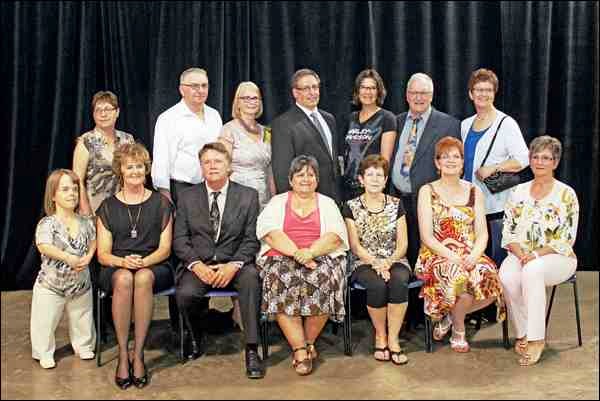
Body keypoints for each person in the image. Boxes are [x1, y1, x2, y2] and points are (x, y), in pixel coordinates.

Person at [173, 142, 264, 379]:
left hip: (235, 263)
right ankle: (195, 336)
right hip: (199, 264)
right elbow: (180, 240)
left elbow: (251, 239)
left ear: (229, 166)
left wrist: (233, 265)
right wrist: (197, 265)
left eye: (218, 161)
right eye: (207, 162)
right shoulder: (186, 197)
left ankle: (252, 348)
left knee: (252, 280)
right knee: (185, 294)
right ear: (201, 167)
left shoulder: (248, 196)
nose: (212, 166)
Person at [256, 155, 349, 376]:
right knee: (283, 280)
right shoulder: (278, 201)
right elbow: (269, 233)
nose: (305, 179)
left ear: (317, 180)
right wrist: (298, 254)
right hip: (282, 255)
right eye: (300, 175)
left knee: (325, 278)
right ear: (290, 180)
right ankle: (299, 350)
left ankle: (307, 343)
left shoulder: (327, 203)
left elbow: (336, 236)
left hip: (321, 255)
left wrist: (311, 252)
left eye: (310, 175)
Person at [415, 137, 505, 353]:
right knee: (459, 279)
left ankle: (449, 315)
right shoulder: (427, 191)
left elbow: (482, 234)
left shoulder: (475, 191)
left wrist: (474, 255)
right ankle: (458, 330)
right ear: (437, 163)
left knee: (492, 280)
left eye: (456, 156)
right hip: (436, 253)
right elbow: (427, 237)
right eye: (445, 156)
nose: (451, 161)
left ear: (463, 162)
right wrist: (453, 257)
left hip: (470, 252)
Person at [96, 143, 174, 389]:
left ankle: (138, 354)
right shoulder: (107, 207)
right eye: (129, 167)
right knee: (123, 278)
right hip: (116, 265)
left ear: (146, 169)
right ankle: (122, 353)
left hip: (155, 265)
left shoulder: (161, 204)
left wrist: (144, 262)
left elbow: (165, 249)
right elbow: (103, 254)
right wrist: (123, 262)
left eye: (139, 166)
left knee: (141, 278)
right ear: (120, 170)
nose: (135, 171)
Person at [389, 72, 461, 328]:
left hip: (430, 201)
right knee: (404, 254)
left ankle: (430, 312)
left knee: (427, 252)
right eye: (414, 93)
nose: (419, 98)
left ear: (432, 96)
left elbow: (453, 164)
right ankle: (406, 313)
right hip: (398, 199)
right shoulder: (395, 121)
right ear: (407, 95)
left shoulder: (449, 124)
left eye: (424, 93)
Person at [499, 136, 579, 366]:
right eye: (535, 156)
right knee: (507, 276)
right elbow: (508, 231)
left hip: (557, 257)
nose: (540, 162)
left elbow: (566, 238)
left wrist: (534, 255)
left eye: (546, 158)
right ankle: (523, 331)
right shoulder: (517, 192)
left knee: (532, 271)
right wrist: (520, 251)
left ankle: (536, 339)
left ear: (555, 163)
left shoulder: (566, 194)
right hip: (520, 253)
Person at [343, 155, 411, 365]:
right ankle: (380, 335)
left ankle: (393, 338)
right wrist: (375, 262)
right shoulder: (350, 206)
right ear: (361, 179)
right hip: (363, 261)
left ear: (385, 179)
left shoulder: (396, 204)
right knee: (377, 284)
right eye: (369, 175)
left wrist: (388, 262)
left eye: (379, 175)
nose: (374, 179)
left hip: (395, 259)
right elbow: (355, 246)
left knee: (398, 282)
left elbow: (403, 244)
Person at [461, 68, 529, 268]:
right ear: (470, 94)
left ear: (494, 93)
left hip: (497, 204)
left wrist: (494, 168)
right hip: (471, 204)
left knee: (499, 259)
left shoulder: (506, 123)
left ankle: (503, 299)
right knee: (478, 261)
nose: (483, 94)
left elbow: (523, 158)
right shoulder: (466, 124)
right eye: (478, 89)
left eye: (488, 90)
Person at [31, 169, 96, 369]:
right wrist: (67, 257)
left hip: (80, 284)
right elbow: (44, 246)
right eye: (65, 189)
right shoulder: (47, 223)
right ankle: (44, 351)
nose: (72, 194)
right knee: (45, 321)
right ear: (53, 195)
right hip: (52, 285)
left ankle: (83, 345)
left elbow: (93, 241)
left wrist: (88, 256)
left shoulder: (85, 221)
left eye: (75, 189)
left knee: (82, 318)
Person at [151, 67, 223, 205]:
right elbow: (161, 160)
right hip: (181, 189)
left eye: (204, 85)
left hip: (212, 188)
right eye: (194, 86)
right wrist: (165, 196)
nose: (200, 90)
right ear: (182, 90)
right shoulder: (168, 118)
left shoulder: (214, 115)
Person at [271, 68, 340, 202]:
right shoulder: (283, 124)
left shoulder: (329, 119)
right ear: (295, 93)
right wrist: (292, 204)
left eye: (315, 87)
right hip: (304, 200)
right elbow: (282, 172)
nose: (312, 92)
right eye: (306, 88)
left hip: (333, 198)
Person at [72, 91, 135, 216]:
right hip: (95, 209)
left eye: (107, 109)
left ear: (117, 112)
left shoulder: (127, 140)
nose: (103, 114)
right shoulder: (86, 141)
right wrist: (85, 208)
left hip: (125, 207)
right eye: (98, 110)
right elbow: (77, 179)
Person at [341, 69, 397, 201]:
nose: (368, 92)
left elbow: (385, 161)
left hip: (371, 188)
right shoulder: (351, 118)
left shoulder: (387, 118)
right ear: (357, 90)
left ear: (378, 91)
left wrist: (374, 185)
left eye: (372, 88)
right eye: (364, 87)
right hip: (348, 189)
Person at [219, 81, 275, 210]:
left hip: (263, 197)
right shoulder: (228, 129)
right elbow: (223, 167)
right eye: (246, 98)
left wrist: (274, 198)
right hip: (237, 199)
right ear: (237, 102)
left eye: (255, 98)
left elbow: (270, 168)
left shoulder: (267, 131)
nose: (251, 101)